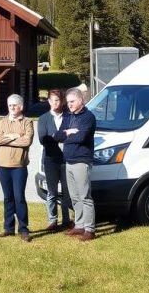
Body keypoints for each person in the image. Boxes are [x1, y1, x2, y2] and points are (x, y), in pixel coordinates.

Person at [53, 86, 96, 241]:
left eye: (72, 101)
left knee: (85, 196)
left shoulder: (88, 117)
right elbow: (57, 136)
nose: (69, 104)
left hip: (82, 161)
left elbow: (82, 138)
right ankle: (79, 225)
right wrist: (68, 132)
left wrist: (67, 135)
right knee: (74, 197)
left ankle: (90, 230)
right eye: (68, 102)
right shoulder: (68, 116)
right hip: (69, 161)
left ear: (80, 100)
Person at [0, 93, 34, 242]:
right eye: (10, 105)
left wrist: (8, 139)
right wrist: (15, 136)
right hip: (2, 165)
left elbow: (27, 141)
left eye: (15, 105)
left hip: (19, 166)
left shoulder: (27, 122)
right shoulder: (2, 122)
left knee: (19, 197)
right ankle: (8, 228)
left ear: (21, 107)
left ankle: (23, 229)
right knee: (8, 197)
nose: (12, 108)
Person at [37, 89, 72, 231]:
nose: (54, 103)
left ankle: (66, 220)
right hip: (50, 159)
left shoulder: (68, 117)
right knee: (51, 191)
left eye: (57, 100)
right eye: (52, 100)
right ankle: (52, 220)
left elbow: (73, 136)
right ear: (48, 101)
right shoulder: (43, 118)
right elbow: (43, 139)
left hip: (65, 159)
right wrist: (62, 135)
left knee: (66, 191)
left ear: (61, 101)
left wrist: (55, 136)